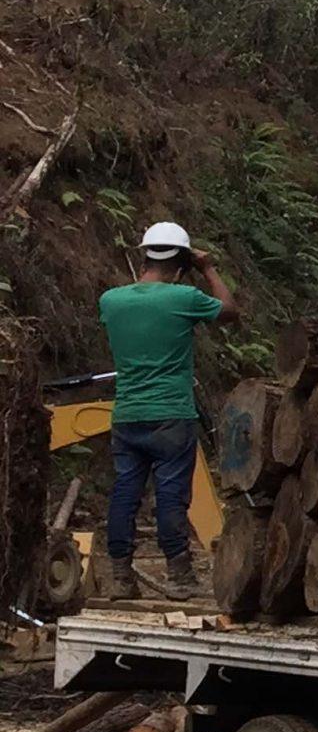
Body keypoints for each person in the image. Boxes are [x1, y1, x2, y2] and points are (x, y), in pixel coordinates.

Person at [97, 221, 242, 599]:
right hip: (171, 415)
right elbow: (230, 312)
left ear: (143, 255)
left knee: (126, 491)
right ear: (182, 262)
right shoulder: (183, 299)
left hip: (127, 415)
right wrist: (208, 268)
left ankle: (120, 577)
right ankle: (178, 575)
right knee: (171, 493)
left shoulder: (110, 300)